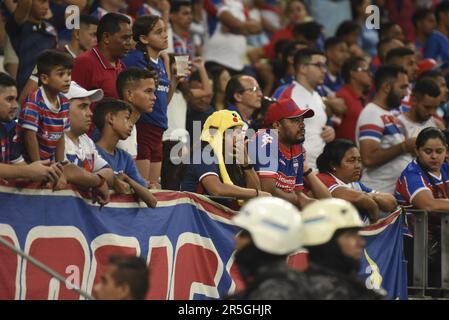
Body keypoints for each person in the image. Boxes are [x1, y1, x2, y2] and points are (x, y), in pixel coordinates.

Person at [122, 15, 177, 188]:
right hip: (143, 127)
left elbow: (162, 102)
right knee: (141, 187)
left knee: (154, 187)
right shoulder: (133, 59)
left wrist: (174, 81)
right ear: (144, 38)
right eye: (158, 32)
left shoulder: (160, 61)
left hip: (158, 129)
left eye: (165, 31)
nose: (165, 35)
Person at [251, 98, 331, 209]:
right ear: (277, 125)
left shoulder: (297, 147)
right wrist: (295, 199)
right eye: (295, 120)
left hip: (282, 210)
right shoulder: (265, 139)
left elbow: (298, 194)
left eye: (302, 120)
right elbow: (268, 192)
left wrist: (320, 206)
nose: (302, 125)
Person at [395, 127, 449, 287]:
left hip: (440, 242)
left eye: (439, 151)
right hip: (414, 245)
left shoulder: (446, 169)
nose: (434, 156)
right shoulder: (412, 174)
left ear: (446, 151)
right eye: (428, 151)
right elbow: (428, 204)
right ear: (417, 151)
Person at [301, 198, 386, 300]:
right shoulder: (318, 292)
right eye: (351, 235)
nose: (361, 242)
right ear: (327, 242)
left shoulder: (351, 286)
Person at [228, 197, 309, 300]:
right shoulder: (298, 284)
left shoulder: (272, 293)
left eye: (244, 234)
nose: (236, 238)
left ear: (265, 240)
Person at [181, 110, 271, 202]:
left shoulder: (232, 158)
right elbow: (216, 190)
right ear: (221, 134)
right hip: (195, 214)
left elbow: (254, 195)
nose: (241, 138)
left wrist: (246, 164)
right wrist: (256, 194)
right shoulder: (203, 154)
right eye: (237, 132)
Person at [356, 65, 416, 194]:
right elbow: (368, 158)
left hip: (391, 195)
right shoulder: (372, 113)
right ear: (387, 87)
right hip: (378, 193)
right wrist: (404, 147)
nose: (406, 93)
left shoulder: (389, 115)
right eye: (402, 87)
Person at [19, 14, 100, 107]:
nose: (97, 40)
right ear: (77, 33)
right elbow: (26, 97)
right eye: (93, 35)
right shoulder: (51, 58)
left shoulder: (94, 62)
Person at [93, 98, 157, 208]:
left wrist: (127, 179)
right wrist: (115, 180)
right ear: (111, 118)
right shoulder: (91, 151)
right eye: (126, 118)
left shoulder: (125, 157)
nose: (131, 124)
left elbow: (152, 201)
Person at [316, 139, 398, 223]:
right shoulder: (321, 179)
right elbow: (360, 198)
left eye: (359, 160)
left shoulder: (354, 183)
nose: (358, 166)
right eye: (351, 160)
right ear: (333, 164)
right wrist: (373, 219)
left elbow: (392, 203)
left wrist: (371, 196)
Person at [279, 48, 335, 170]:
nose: (324, 70)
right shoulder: (287, 94)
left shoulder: (317, 96)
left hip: (319, 167)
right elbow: (274, 130)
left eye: (325, 66)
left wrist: (330, 131)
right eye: (319, 65)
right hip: (298, 169)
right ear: (303, 68)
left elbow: (318, 126)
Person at [0, 72, 62, 183]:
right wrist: (28, 172)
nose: (15, 106)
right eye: (9, 99)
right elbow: (24, 171)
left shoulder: (8, 128)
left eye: (15, 99)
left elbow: (19, 167)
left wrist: (46, 173)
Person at [16, 50, 73, 163]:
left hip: (49, 163)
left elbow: (60, 138)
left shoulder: (65, 103)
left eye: (69, 73)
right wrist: (38, 167)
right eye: (61, 74)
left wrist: (59, 166)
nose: (67, 79)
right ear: (44, 79)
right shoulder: (34, 102)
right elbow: (30, 137)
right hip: (27, 164)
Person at [72, 13, 132, 99]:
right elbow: (73, 102)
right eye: (124, 38)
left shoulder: (121, 66)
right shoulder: (84, 63)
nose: (129, 43)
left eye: (130, 38)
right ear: (106, 37)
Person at [5, 0, 57, 94]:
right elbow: (25, 4)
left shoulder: (51, 29)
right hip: (24, 90)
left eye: (47, 2)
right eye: (42, 2)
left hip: (48, 89)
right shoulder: (18, 27)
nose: (46, 6)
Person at [115, 67, 158, 161]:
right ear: (129, 95)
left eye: (153, 92)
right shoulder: (114, 128)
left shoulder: (132, 127)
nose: (154, 97)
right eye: (148, 91)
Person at [336, 56, 372, 141]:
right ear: (353, 73)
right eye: (365, 70)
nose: (370, 74)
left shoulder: (364, 99)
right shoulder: (342, 97)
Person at [397, 78, 442, 142]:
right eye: (427, 107)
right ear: (414, 100)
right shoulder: (398, 124)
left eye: (435, 107)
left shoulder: (438, 125)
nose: (432, 112)